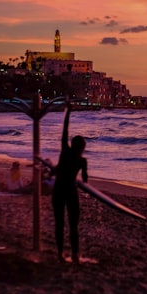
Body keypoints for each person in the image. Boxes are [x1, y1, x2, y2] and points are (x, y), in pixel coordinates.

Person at [52, 102, 88, 264]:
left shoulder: (65, 151)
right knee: (73, 225)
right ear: (82, 148)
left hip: (58, 191)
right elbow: (85, 180)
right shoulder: (82, 161)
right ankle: (75, 255)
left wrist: (68, 112)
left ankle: (60, 254)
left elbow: (64, 132)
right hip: (71, 193)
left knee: (59, 223)